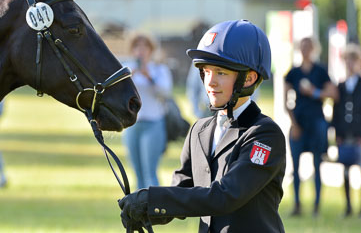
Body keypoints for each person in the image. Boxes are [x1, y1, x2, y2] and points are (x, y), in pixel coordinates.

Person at [119, 20, 286, 233]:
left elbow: (226, 196)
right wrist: (144, 210)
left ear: (249, 78)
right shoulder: (199, 130)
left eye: (221, 73)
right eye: (206, 72)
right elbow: (182, 190)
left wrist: (152, 199)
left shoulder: (264, 135)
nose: (210, 82)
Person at [284, 37, 338, 216]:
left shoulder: (321, 71)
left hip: (316, 122)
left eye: (309, 46)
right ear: (299, 49)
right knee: (296, 166)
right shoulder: (293, 72)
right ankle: (297, 204)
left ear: (314, 49)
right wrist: (294, 124)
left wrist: (314, 92)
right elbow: (286, 102)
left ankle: (316, 206)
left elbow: (333, 93)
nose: (306, 50)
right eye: (303, 46)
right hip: (299, 122)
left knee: (317, 164)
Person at [122, 33, 173, 190]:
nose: (141, 51)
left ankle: (154, 208)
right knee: (137, 173)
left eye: (144, 47)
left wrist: (149, 77)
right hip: (132, 125)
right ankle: (139, 209)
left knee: (150, 171)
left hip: (153, 124)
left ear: (151, 50)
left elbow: (166, 93)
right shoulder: (127, 69)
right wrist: (131, 76)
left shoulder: (159, 70)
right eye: (137, 47)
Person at [332, 43, 361, 218]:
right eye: (347, 60)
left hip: (360, 135)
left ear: (359, 62)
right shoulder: (341, 85)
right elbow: (337, 111)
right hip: (345, 134)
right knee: (346, 169)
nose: (350, 63)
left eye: (353, 60)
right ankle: (348, 206)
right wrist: (338, 134)